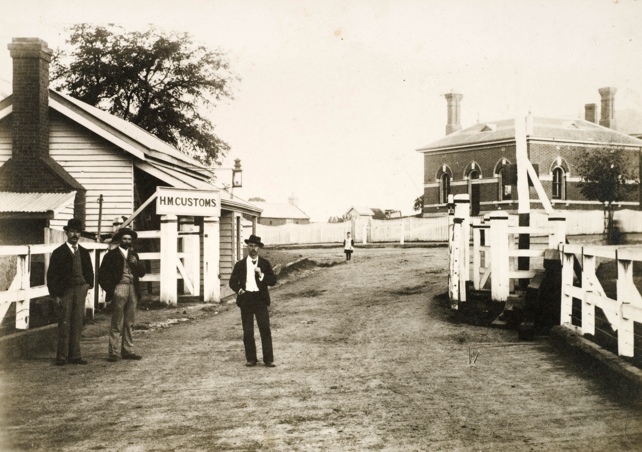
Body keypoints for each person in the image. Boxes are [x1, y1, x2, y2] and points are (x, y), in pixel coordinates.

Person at [47, 218, 94, 366]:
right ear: (67, 233)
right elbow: (51, 275)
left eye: (78, 232)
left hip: (80, 290)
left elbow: (90, 271)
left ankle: (75, 356)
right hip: (65, 291)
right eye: (72, 231)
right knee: (64, 322)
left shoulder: (84, 252)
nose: (75, 235)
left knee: (78, 323)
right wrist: (56, 295)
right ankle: (61, 357)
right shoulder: (58, 252)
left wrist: (88, 285)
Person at [229, 234, 277, 367]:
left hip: (260, 299)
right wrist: (239, 291)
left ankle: (268, 359)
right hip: (246, 299)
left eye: (255, 246)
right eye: (250, 245)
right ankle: (251, 358)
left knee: (265, 329)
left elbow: (273, 281)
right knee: (248, 330)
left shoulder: (265, 263)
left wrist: (262, 276)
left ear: (259, 248)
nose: (253, 248)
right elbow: (232, 282)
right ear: (247, 247)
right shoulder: (240, 265)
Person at [98, 228, 146, 362]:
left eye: (129, 239)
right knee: (117, 321)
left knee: (129, 322)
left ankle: (128, 350)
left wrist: (136, 264)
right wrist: (111, 290)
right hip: (119, 288)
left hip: (133, 289)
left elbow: (142, 273)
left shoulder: (134, 255)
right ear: (120, 240)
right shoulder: (111, 255)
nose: (127, 241)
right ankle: (113, 352)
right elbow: (102, 275)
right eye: (125, 239)